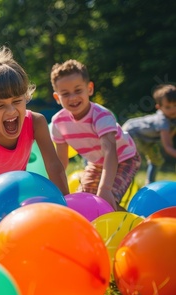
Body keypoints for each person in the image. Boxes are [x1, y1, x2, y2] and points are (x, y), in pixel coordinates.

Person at [0, 47, 69, 239]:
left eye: (17, 101)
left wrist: (68, 207)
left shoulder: (36, 123)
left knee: (13, 226)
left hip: (13, 181)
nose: (10, 111)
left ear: (26, 98)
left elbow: (54, 166)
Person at [50, 59, 140, 210]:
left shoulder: (101, 116)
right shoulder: (58, 122)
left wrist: (105, 188)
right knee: (83, 201)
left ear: (89, 88)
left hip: (124, 158)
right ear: (57, 98)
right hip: (97, 162)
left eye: (78, 91)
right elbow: (61, 163)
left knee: (107, 201)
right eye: (65, 94)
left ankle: (132, 226)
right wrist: (55, 189)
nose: (73, 98)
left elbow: (111, 152)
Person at [122, 85, 176, 184]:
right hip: (132, 132)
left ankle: (150, 183)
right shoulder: (162, 121)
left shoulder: (172, 120)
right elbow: (168, 147)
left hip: (147, 140)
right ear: (159, 107)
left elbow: (168, 139)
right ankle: (123, 181)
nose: (173, 110)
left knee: (157, 160)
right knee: (132, 162)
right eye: (168, 107)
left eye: (175, 105)